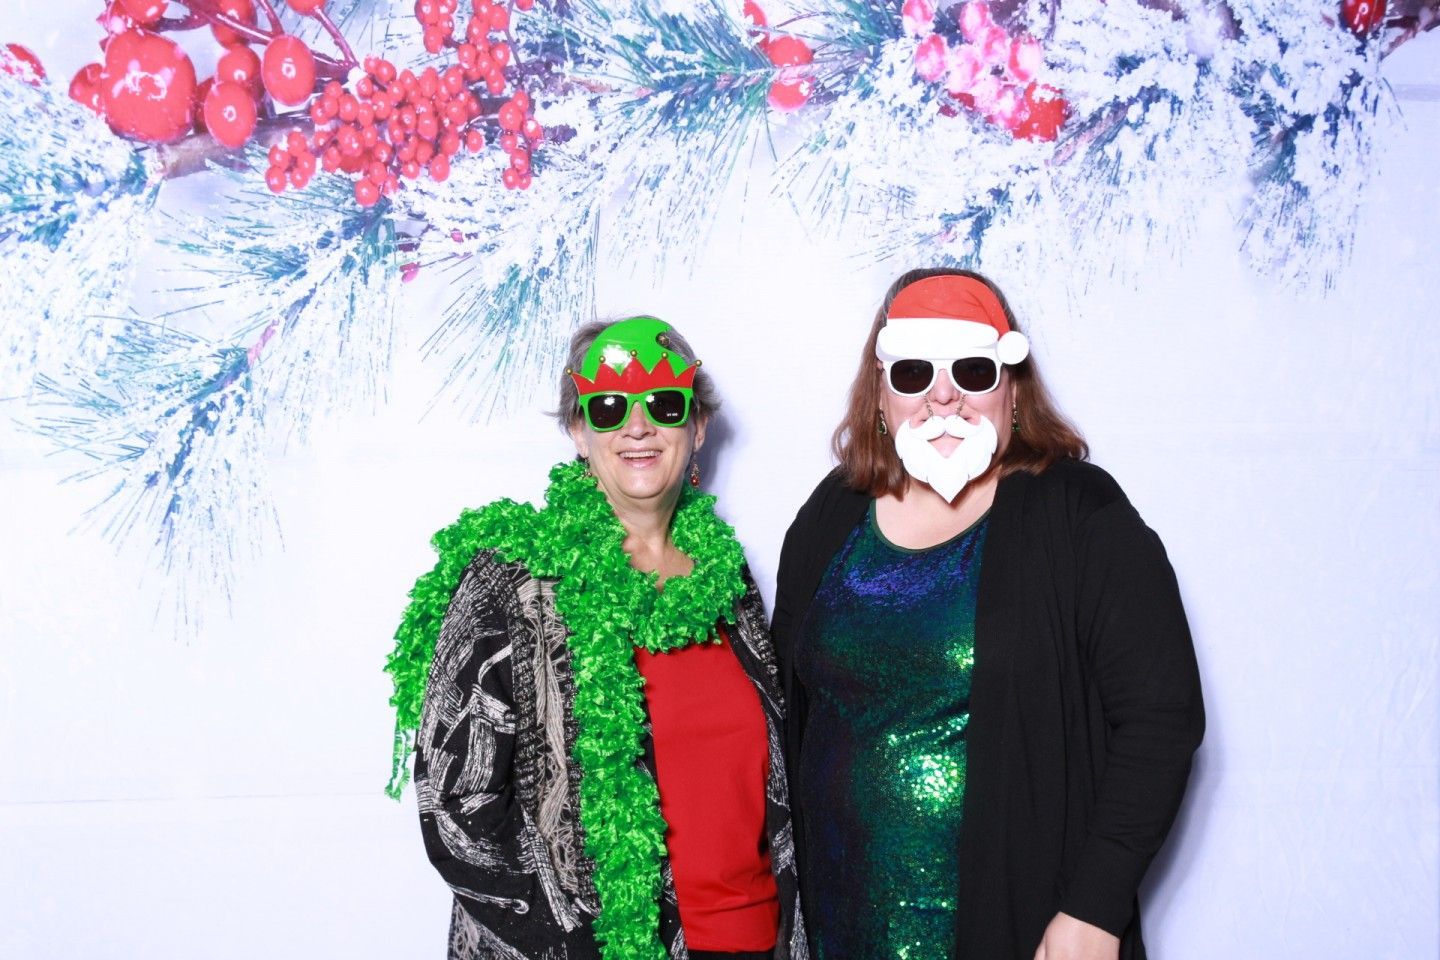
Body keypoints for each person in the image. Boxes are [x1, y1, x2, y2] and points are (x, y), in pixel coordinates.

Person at [771, 269, 1204, 960]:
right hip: (837, 925)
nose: (943, 395)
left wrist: (1094, 909)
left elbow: (1161, 718)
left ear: (1011, 390)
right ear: (882, 395)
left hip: (1019, 926)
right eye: (914, 373)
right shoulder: (832, 514)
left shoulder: (1080, 514)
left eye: (971, 370)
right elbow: (785, 712)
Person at [384, 316, 806, 960]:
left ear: (696, 428)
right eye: (609, 407)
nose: (637, 426)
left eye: (663, 405)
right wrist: (582, 945)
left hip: (751, 938)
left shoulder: (729, 583)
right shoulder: (512, 581)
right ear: (579, 431)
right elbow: (453, 807)